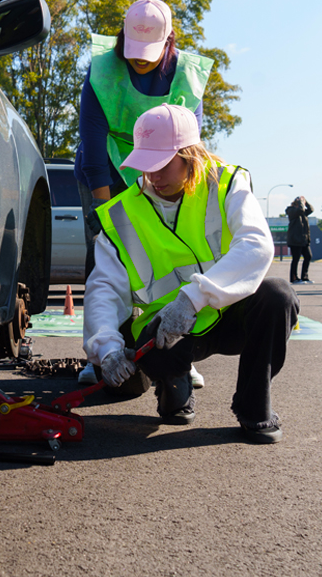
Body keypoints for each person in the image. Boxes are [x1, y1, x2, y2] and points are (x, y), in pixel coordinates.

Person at [83, 104, 299, 444]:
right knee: (155, 361)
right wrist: (107, 348)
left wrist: (194, 298)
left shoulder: (226, 183)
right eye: (145, 165)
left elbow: (256, 245)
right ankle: (173, 389)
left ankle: (254, 408)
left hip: (228, 315)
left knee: (277, 297)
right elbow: (104, 289)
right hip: (166, 331)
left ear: (190, 155)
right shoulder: (122, 215)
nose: (152, 176)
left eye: (161, 165)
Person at [74, 0, 214, 388]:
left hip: (163, 168)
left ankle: (180, 352)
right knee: (105, 259)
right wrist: (104, 208)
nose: (139, 61)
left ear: (169, 40)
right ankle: (101, 351)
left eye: (149, 54)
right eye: (133, 52)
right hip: (106, 169)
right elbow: (92, 141)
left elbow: (189, 148)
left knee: (174, 253)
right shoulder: (102, 70)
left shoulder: (187, 77)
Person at [285, 196, 314, 284]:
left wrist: (306, 202)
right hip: (295, 240)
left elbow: (311, 209)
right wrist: (301, 202)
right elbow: (300, 210)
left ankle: (304, 277)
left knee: (308, 256)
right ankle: (294, 278)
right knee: (296, 259)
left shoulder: (303, 212)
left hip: (304, 240)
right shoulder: (291, 211)